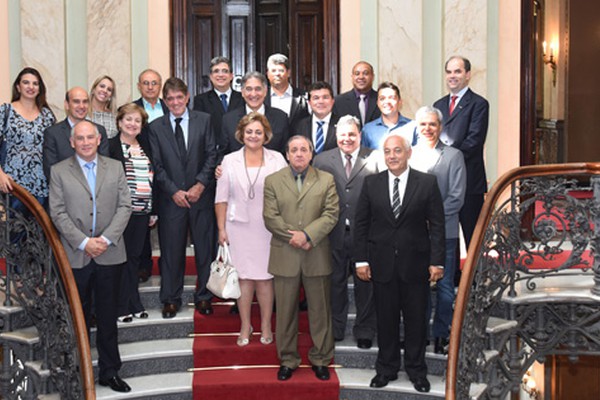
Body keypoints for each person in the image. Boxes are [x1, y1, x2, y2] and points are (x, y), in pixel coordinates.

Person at [353, 134, 445, 393]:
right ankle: (386, 369)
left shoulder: (427, 183)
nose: (392, 156)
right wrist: (361, 260)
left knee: (416, 322)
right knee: (386, 320)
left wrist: (437, 261)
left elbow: (437, 225)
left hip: (416, 265)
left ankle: (417, 371)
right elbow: (360, 224)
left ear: (408, 153)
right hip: (381, 264)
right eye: (387, 151)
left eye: (397, 151)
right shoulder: (371, 183)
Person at [49, 120, 132, 393]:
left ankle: (110, 372)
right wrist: (84, 242)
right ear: (72, 142)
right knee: (77, 317)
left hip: (109, 252)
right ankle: (77, 371)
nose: (85, 142)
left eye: (90, 138)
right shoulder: (59, 171)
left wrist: (105, 240)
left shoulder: (115, 167)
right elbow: (57, 212)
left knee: (108, 317)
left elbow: (125, 206)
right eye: (80, 138)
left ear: (99, 140)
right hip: (77, 254)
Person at [263, 135, 339, 381]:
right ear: (286, 154)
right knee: (285, 313)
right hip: (285, 254)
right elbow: (270, 217)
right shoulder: (273, 181)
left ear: (311, 154)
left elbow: (331, 214)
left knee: (320, 311)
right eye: (293, 149)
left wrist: (307, 235)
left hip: (315, 252)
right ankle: (288, 359)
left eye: (303, 150)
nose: (298, 154)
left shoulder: (326, 179)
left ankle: (320, 358)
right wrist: (293, 237)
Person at [215, 112, 287, 346]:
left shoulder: (277, 159)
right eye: (249, 132)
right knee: (244, 279)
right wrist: (221, 229)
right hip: (238, 227)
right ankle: (246, 325)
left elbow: (287, 195)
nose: (253, 136)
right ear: (241, 134)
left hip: (269, 227)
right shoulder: (229, 160)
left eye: (258, 132)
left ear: (265, 134)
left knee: (266, 279)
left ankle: (266, 324)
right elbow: (221, 198)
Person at [148, 77, 218, 318]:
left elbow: (212, 154)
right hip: (172, 200)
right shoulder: (156, 127)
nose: (176, 102)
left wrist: (200, 184)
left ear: (187, 97)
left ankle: (204, 297)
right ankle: (170, 298)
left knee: (205, 251)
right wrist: (173, 191)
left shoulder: (204, 121)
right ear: (165, 101)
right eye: (170, 99)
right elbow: (156, 164)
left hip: (202, 198)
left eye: (179, 97)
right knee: (171, 252)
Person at [313, 115, 381, 348]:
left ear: (359, 135)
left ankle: (364, 330)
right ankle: (337, 327)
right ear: (336, 136)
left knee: (366, 285)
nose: (347, 139)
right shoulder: (321, 160)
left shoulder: (374, 157)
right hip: (333, 232)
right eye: (343, 135)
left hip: (366, 233)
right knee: (335, 283)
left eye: (352, 134)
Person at [410, 106, 466, 354]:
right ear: (417, 127)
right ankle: (419, 333)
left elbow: (456, 197)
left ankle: (441, 335)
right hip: (414, 234)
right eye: (423, 124)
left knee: (443, 288)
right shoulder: (409, 155)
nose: (428, 129)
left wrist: (431, 218)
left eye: (432, 124)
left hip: (445, 232)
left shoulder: (454, 156)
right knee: (417, 285)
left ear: (440, 127)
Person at [433, 56, 489, 252]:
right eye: (449, 72)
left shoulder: (479, 104)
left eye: (457, 71)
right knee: (448, 234)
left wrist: (447, 161)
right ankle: (452, 277)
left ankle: (476, 279)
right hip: (443, 181)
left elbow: (474, 142)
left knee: (473, 233)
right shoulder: (438, 105)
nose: (452, 76)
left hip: (469, 180)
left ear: (468, 75)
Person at [109, 103, 156, 323]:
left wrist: (153, 210)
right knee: (121, 259)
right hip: (120, 213)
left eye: (137, 121)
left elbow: (151, 178)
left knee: (135, 259)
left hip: (142, 211)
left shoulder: (145, 145)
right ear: (119, 122)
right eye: (128, 119)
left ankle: (134, 302)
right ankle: (120, 306)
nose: (132, 124)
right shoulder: (110, 147)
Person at [0, 67, 55, 209]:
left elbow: (54, 149)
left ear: (40, 88)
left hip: (42, 186)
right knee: (15, 230)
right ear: (18, 87)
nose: (31, 87)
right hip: (13, 186)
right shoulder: (6, 111)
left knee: (41, 230)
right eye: (26, 82)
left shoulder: (47, 115)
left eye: (35, 83)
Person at [133, 69, 168, 283]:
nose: (150, 87)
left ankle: (168, 263)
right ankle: (143, 266)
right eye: (145, 83)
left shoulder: (170, 107)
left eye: (154, 83)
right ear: (139, 86)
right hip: (142, 172)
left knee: (169, 224)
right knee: (142, 221)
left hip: (167, 173)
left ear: (160, 85)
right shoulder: (130, 110)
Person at [220, 71, 289, 161]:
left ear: (265, 92)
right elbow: (222, 153)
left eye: (258, 89)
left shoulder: (281, 118)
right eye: (249, 89)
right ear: (242, 92)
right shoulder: (229, 119)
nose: (253, 94)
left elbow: (286, 152)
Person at [43, 87, 109, 179]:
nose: (81, 106)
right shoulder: (53, 133)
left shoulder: (99, 130)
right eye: (76, 102)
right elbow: (51, 172)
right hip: (65, 191)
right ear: (67, 105)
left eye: (85, 102)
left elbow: (105, 166)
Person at [193, 56, 244, 149]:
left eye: (225, 71)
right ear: (211, 77)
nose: (220, 75)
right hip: (213, 154)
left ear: (231, 76)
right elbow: (200, 131)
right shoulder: (201, 100)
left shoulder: (243, 98)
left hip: (240, 153)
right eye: (216, 71)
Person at [361, 81, 417, 150]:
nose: (387, 102)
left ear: (400, 101)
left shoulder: (413, 127)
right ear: (378, 103)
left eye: (392, 98)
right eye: (382, 99)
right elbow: (363, 158)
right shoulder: (368, 130)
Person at [264, 53, 309, 130]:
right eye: (273, 70)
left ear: (288, 73)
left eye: (281, 70)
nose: (277, 74)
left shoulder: (303, 96)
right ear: (268, 74)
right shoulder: (261, 97)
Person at [294, 81, 339, 154]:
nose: (321, 101)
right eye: (316, 98)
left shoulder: (342, 124)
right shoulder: (300, 126)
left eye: (325, 97)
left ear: (332, 101)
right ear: (309, 103)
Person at [333, 61, 381, 127]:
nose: (361, 77)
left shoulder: (381, 99)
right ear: (352, 77)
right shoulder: (338, 101)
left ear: (372, 76)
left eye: (365, 73)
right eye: (357, 74)